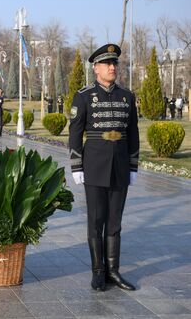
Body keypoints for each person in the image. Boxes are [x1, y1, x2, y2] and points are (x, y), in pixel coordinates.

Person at [69, 43, 139, 292]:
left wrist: (133, 166)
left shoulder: (127, 96)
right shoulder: (84, 96)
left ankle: (114, 271)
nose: (112, 67)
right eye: (107, 63)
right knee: (96, 220)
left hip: (120, 164)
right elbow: (75, 132)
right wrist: (76, 165)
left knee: (115, 222)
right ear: (95, 68)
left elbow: (133, 133)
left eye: (115, 63)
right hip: (95, 164)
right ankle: (98, 271)